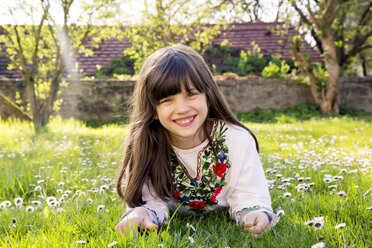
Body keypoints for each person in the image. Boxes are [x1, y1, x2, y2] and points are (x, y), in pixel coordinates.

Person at [115, 44, 278, 238]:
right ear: (153, 109)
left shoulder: (238, 140)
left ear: (208, 96)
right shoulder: (145, 144)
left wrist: (254, 213)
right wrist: (141, 213)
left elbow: (250, 196)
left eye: (191, 94)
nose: (182, 108)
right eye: (167, 99)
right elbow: (151, 202)